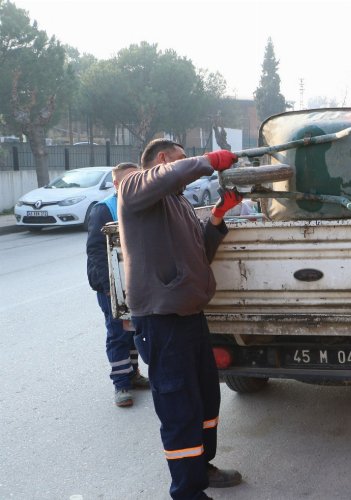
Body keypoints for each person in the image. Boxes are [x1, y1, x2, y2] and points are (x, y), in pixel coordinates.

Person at [118, 140, 244, 499]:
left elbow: (199, 253)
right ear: (161, 160)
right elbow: (161, 177)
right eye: (180, 159)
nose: (187, 168)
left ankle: (202, 466)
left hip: (190, 313)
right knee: (179, 408)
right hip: (161, 320)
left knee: (205, 400)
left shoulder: (177, 203)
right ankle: (187, 491)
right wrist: (207, 161)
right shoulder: (133, 186)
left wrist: (218, 216)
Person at [86, 161, 150, 408]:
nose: (134, 184)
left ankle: (133, 374)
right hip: (111, 285)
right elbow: (96, 251)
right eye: (127, 180)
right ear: (115, 184)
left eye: (138, 178)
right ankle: (121, 384)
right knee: (116, 333)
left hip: (134, 282)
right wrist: (109, 287)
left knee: (132, 330)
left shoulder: (142, 204)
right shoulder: (104, 209)